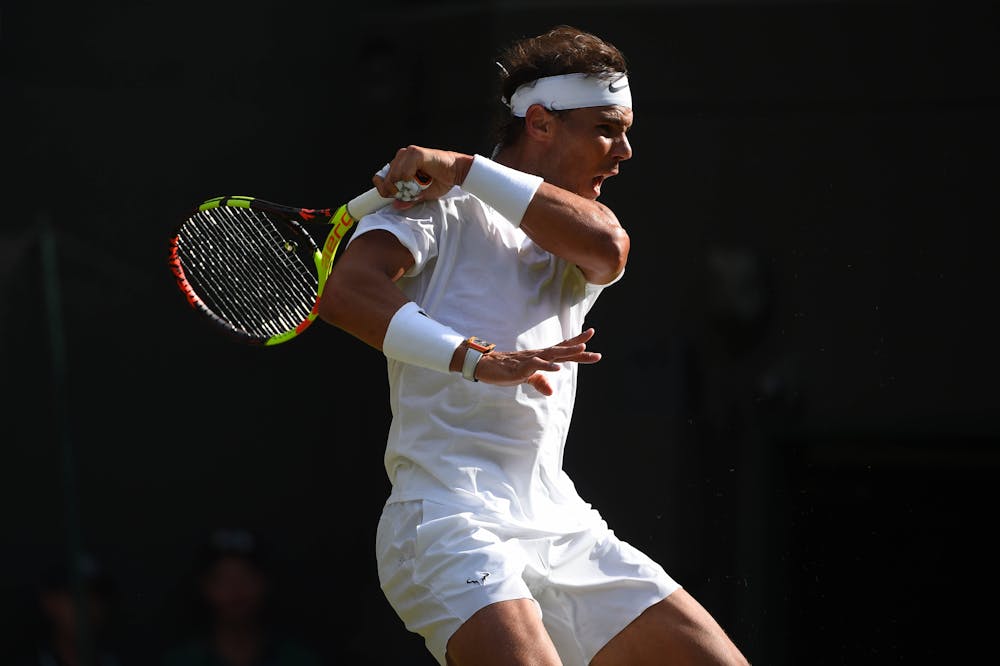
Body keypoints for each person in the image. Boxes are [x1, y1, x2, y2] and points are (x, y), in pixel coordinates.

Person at [318, 25, 750, 666]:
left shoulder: (576, 226)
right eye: (607, 129)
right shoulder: (429, 212)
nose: (624, 151)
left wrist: (463, 167)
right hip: (444, 521)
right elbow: (344, 295)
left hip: (562, 524)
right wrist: (473, 358)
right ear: (541, 123)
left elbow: (609, 248)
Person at [160, 528, 323, 666]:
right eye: (223, 579)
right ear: (204, 587)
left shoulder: (298, 659)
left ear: (266, 583)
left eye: (247, 577)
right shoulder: (182, 661)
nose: (236, 590)